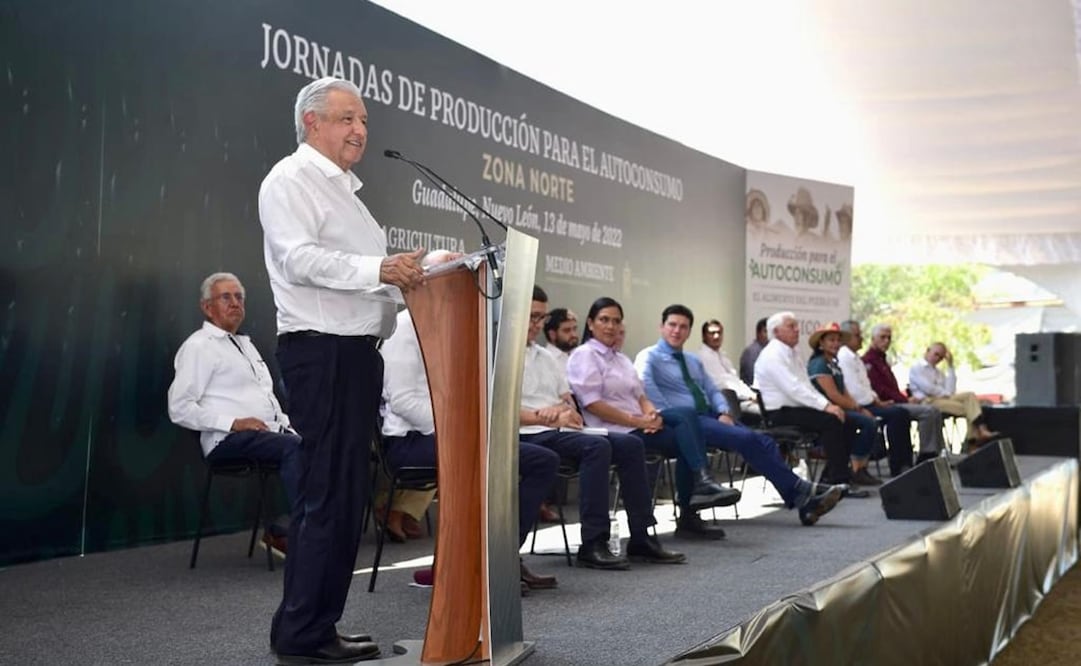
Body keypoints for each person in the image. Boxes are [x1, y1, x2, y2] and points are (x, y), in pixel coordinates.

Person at [259, 76, 427, 664]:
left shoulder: (347, 194)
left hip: (355, 355)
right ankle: (301, 635)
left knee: (347, 496)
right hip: (321, 352)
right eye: (346, 119)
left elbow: (364, 278)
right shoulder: (291, 179)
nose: (359, 130)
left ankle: (319, 627)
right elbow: (298, 259)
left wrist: (421, 276)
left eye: (363, 122)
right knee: (326, 497)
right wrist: (382, 269)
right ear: (312, 122)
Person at [381, 309, 560, 589]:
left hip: (454, 434)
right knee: (484, 458)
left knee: (542, 460)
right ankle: (469, 565)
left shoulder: (454, 321)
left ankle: (502, 557)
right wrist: (463, 429)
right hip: (412, 439)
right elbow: (403, 401)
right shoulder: (405, 328)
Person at [520, 287, 684, 568]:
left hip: (563, 429)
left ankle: (642, 537)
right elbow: (495, 409)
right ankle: (593, 541)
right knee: (597, 446)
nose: (537, 324)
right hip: (528, 433)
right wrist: (541, 415)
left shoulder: (545, 357)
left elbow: (568, 400)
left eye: (541, 318)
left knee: (632, 445)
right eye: (532, 317)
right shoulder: (501, 354)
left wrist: (563, 411)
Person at [637, 305, 844, 526]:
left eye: (683, 326)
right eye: (672, 325)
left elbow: (713, 390)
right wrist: (682, 419)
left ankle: (803, 501)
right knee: (747, 439)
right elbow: (649, 394)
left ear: (689, 331)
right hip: (683, 422)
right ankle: (802, 491)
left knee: (764, 441)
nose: (677, 331)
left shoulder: (692, 360)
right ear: (661, 327)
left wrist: (724, 411)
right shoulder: (649, 357)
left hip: (710, 416)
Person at [567, 297, 741, 541]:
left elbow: (641, 395)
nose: (610, 326)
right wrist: (638, 422)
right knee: (687, 435)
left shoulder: (621, 359)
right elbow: (593, 404)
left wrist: (651, 414)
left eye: (616, 321)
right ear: (591, 323)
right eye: (604, 320)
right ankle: (693, 503)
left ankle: (700, 488)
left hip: (640, 423)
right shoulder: (584, 355)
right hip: (615, 430)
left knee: (688, 418)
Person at [167, 272, 299, 555]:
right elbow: (179, 408)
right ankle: (310, 535)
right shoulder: (199, 346)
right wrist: (234, 423)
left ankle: (287, 531)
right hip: (226, 440)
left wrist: (290, 427)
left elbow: (269, 403)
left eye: (239, 297)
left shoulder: (246, 346)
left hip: (266, 435)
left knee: (315, 444)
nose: (235, 303)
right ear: (207, 307)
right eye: (226, 297)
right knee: (296, 450)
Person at [753, 312, 862, 491]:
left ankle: (831, 476)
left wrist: (829, 406)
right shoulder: (772, 355)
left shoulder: (793, 352)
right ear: (776, 331)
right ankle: (839, 481)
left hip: (795, 407)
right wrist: (826, 406)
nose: (797, 330)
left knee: (848, 421)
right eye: (791, 326)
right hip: (779, 413)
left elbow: (806, 386)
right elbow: (793, 388)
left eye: (797, 326)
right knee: (832, 421)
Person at [805, 324, 880, 486]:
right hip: (826, 411)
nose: (836, 344)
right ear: (821, 343)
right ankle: (856, 468)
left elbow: (844, 392)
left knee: (862, 422)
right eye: (831, 340)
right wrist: (858, 409)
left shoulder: (833, 363)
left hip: (841, 410)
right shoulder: (819, 364)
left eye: (838, 340)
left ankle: (852, 469)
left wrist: (859, 408)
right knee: (867, 423)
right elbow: (833, 395)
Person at [836, 321, 914, 475]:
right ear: (847, 337)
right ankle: (898, 465)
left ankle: (904, 462)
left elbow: (866, 386)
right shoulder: (844, 357)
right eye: (858, 335)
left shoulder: (855, 358)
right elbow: (854, 389)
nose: (862, 339)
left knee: (899, 413)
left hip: (868, 402)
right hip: (856, 404)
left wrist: (877, 400)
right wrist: (873, 401)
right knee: (897, 414)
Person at [862, 324, 946, 461]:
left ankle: (935, 453)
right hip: (885, 403)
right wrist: (904, 400)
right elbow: (880, 390)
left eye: (889, 338)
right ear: (872, 339)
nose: (886, 341)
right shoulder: (868, 361)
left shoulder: (882, 360)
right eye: (882, 337)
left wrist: (904, 398)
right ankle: (926, 454)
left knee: (934, 411)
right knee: (928, 411)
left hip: (896, 400)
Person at [909, 342, 999, 446]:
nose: (938, 358)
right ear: (928, 351)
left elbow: (950, 390)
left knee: (970, 396)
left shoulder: (939, 372)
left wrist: (950, 366)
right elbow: (928, 388)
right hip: (927, 401)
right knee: (970, 409)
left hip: (943, 399)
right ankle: (974, 440)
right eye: (936, 354)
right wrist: (944, 393)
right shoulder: (917, 367)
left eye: (941, 357)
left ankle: (979, 434)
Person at [694, 319, 759, 418]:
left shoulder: (723, 356)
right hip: (727, 403)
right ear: (704, 336)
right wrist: (750, 396)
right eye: (712, 333)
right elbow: (723, 385)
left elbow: (736, 381)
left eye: (719, 333)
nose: (716, 336)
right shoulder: (703, 357)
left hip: (740, 399)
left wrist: (753, 395)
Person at [543, 307, 579, 372]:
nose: (574, 335)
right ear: (552, 335)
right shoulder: (545, 361)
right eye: (567, 330)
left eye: (574, 329)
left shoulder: (580, 355)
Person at [739, 317, 768, 385]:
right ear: (758, 333)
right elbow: (753, 376)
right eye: (765, 331)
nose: (769, 335)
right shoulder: (752, 352)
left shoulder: (768, 351)